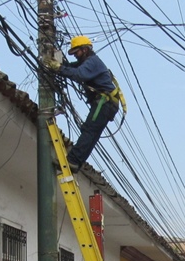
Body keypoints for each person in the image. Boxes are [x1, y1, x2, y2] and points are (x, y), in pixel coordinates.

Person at [48, 35, 126, 171]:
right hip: (107, 104)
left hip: (104, 102)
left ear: (84, 50)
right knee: (91, 133)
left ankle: (72, 160)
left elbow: (79, 75)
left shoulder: (92, 62)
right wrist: (58, 63)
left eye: (76, 52)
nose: (75, 56)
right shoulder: (87, 62)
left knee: (89, 131)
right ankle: (76, 163)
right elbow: (70, 67)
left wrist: (58, 68)